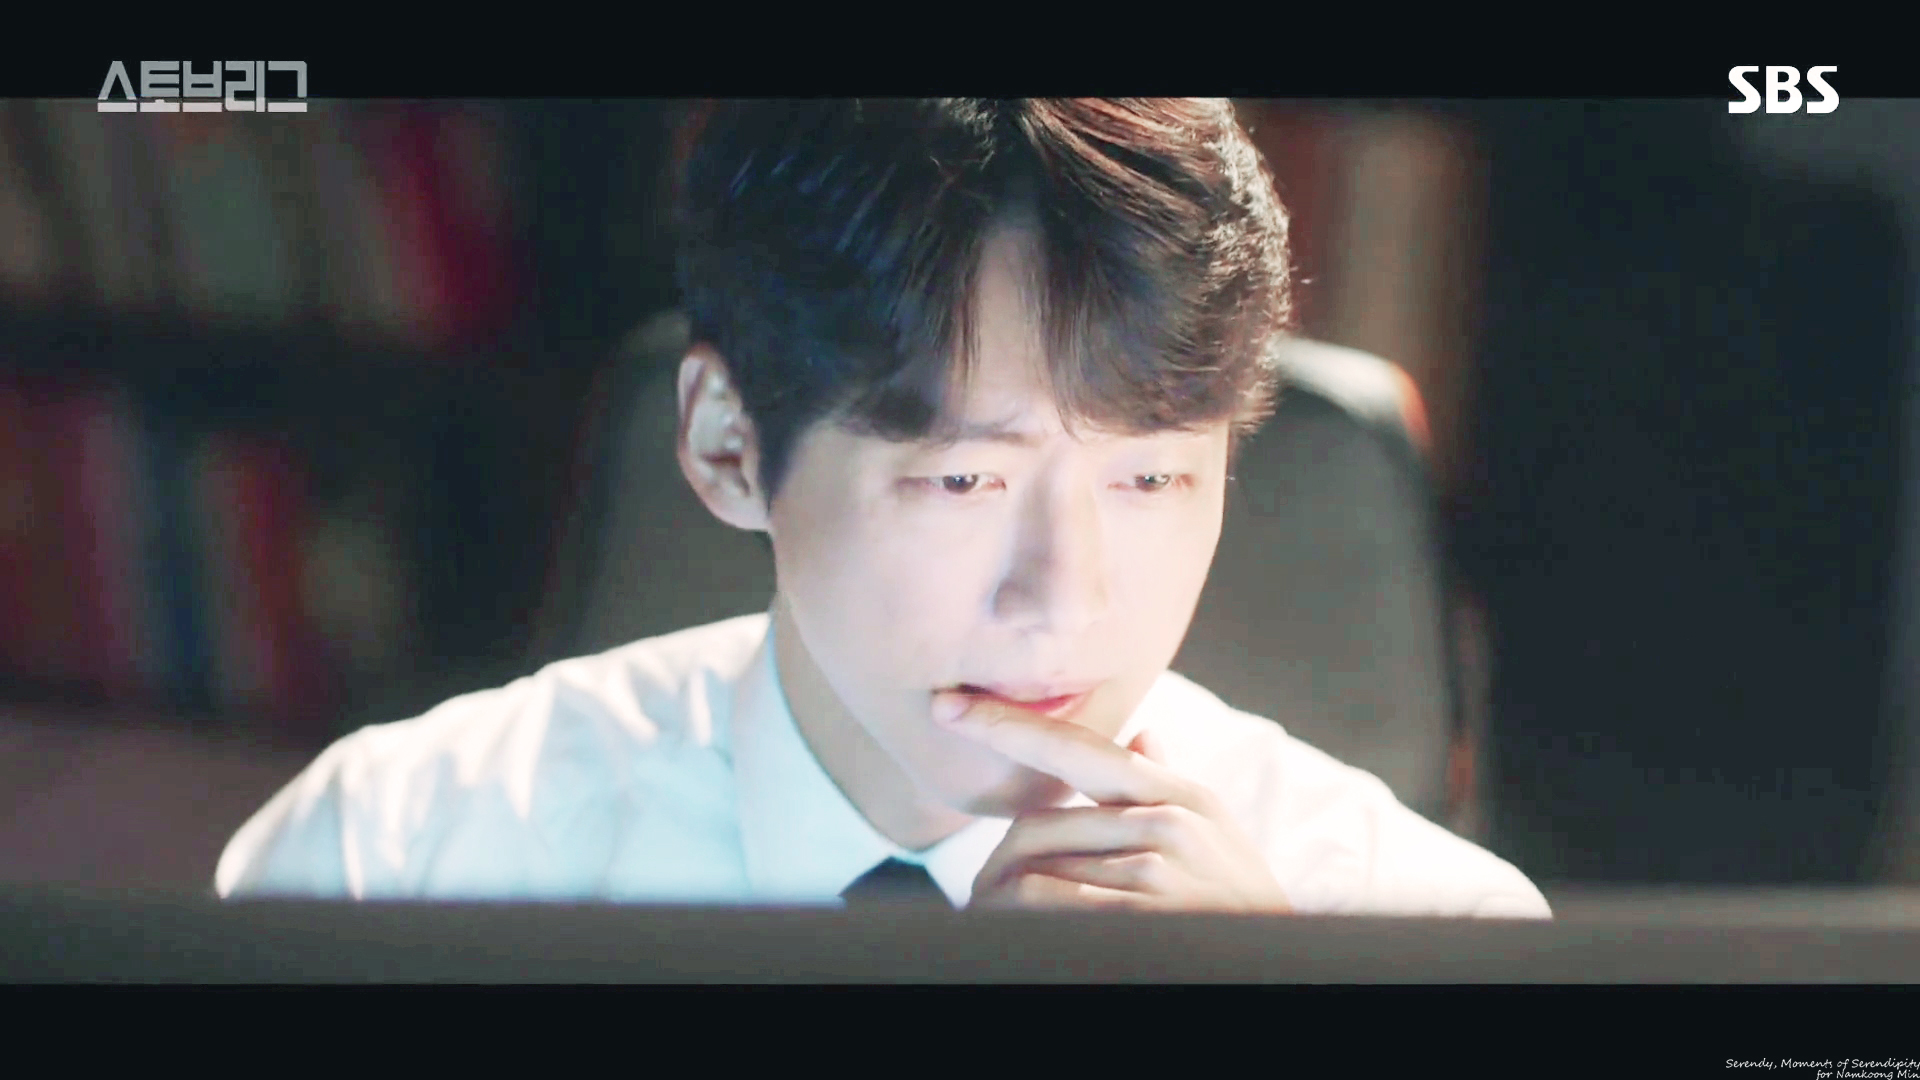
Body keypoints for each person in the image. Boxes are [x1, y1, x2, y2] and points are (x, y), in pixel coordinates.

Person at [215, 99, 1549, 917]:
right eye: (964, 479)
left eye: (1149, 478)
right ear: (728, 444)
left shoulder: (1419, 928)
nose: (1068, 602)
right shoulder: (394, 856)